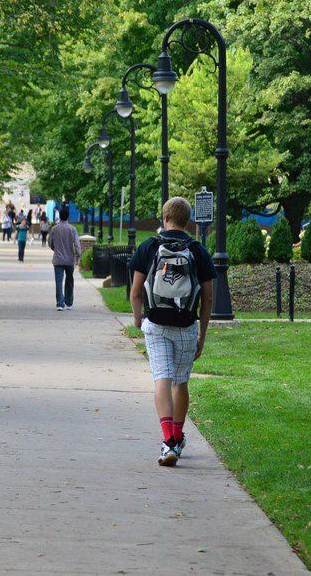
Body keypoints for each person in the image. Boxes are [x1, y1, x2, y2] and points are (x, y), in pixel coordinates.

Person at [128, 197, 216, 467]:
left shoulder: (149, 247)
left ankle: (168, 441)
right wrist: (202, 332)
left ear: (164, 218)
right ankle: (176, 438)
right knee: (180, 382)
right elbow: (208, 298)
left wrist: (138, 318)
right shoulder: (199, 251)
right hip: (186, 325)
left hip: (156, 324)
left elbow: (135, 292)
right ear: (187, 220)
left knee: (161, 380)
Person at [47, 207, 81, 311]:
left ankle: (60, 304)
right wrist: (78, 256)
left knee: (58, 281)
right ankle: (69, 302)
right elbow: (77, 245)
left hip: (58, 259)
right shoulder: (72, 229)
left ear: (59, 216)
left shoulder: (54, 229)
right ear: (68, 217)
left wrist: (55, 249)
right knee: (69, 281)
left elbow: (50, 243)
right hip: (70, 259)